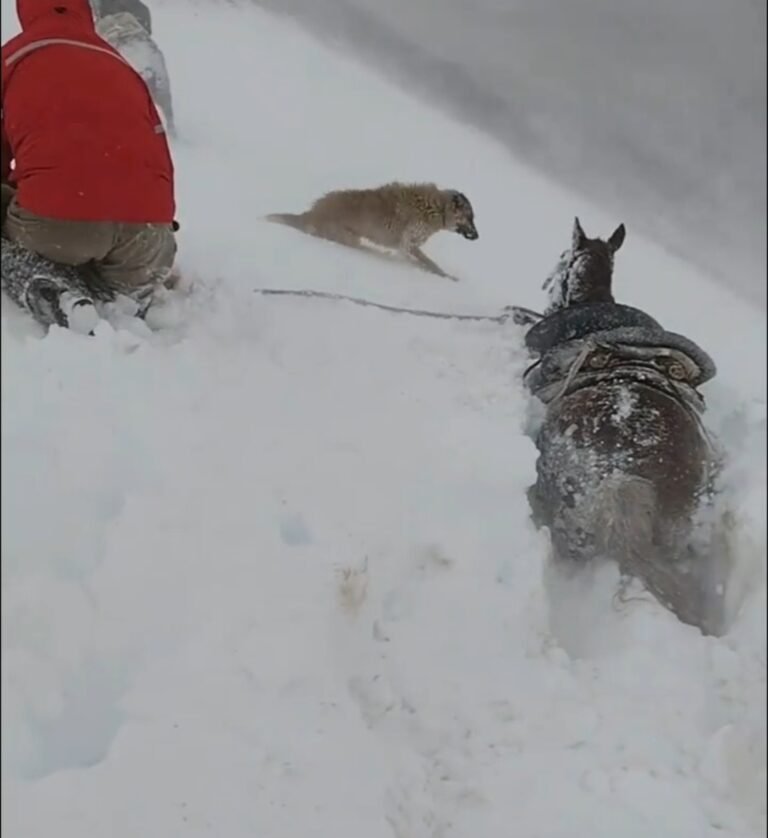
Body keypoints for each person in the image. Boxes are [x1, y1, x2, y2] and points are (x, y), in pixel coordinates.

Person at [1, 0, 178, 328]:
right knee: (121, 263)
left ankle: (50, 289)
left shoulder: (12, 58)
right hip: (149, 238)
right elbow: (158, 150)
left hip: (61, 226)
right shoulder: (120, 62)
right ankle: (129, 296)